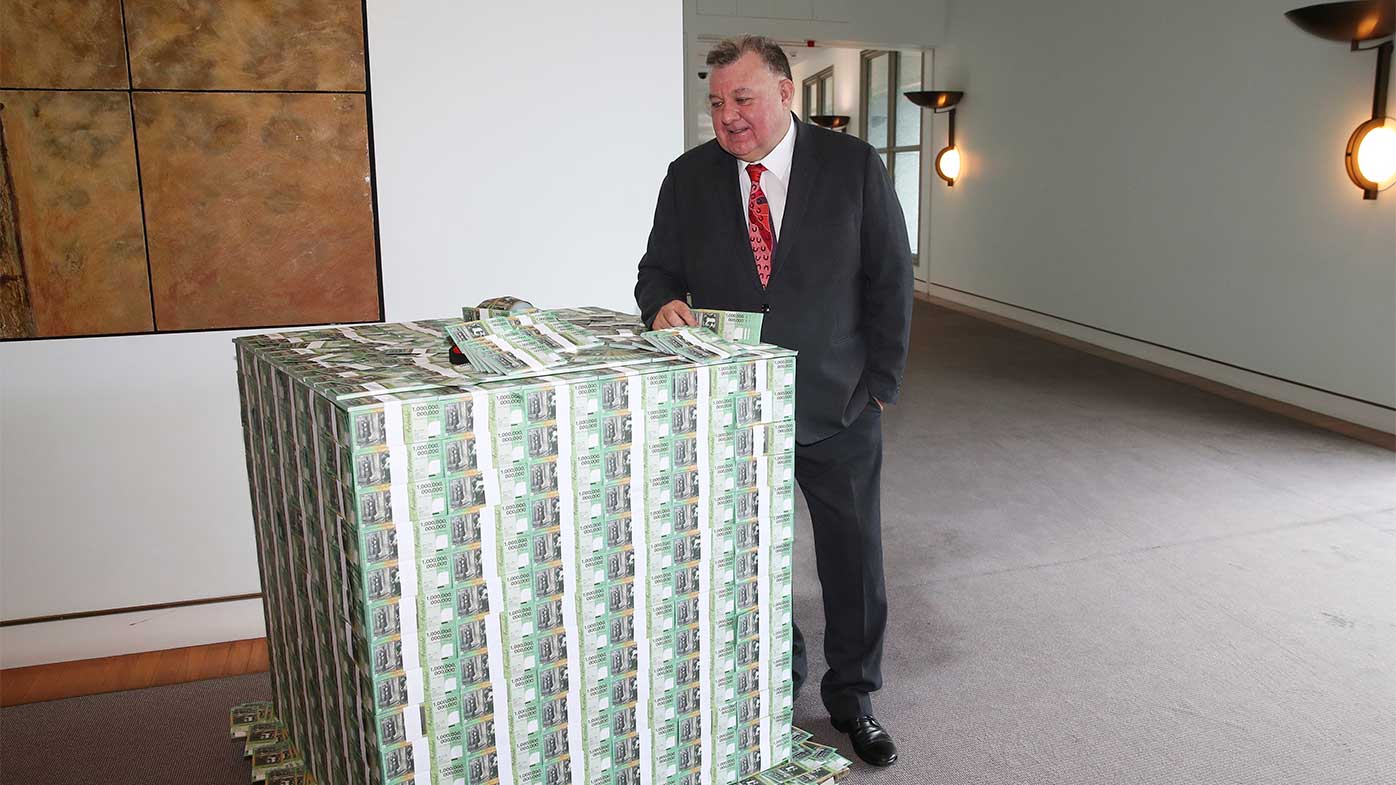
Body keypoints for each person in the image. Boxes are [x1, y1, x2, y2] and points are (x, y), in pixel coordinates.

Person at [634, 35, 913, 767]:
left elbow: (890, 277)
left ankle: (854, 698)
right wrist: (661, 301)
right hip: (736, 412)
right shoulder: (688, 178)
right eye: (717, 103)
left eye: (743, 98)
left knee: (852, 561)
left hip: (840, 404)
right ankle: (771, 694)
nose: (728, 116)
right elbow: (655, 270)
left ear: (786, 92)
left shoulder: (852, 167)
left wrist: (880, 384)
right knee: (755, 563)